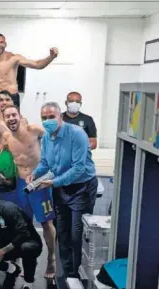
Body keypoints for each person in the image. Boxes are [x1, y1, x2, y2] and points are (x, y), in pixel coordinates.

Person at [28, 101, 97, 279]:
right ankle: (66, 273)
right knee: (63, 232)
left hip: (81, 188)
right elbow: (45, 163)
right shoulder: (46, 137)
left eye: (51, 117)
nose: (48, 121)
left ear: (60, 116)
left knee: (76, 233)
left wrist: (54, 182)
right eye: (44, 118)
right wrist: (34, 175)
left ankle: (77, 273)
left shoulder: (77, 134)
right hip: (60, 189)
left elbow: (78, 168)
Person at [0, 104, 57, 279]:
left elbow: (55, 140)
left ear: (20, 115)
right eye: (7, 116)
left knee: (46, 223)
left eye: (13, 115)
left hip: (39, 182)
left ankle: (51, 258)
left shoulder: (34, 130)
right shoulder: (7, 137)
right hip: (21, 185)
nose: (11, 119)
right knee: (24, 224)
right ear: (4, 120)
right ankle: (28, 259)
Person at [0, 33, 58, 113]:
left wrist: (51, 57)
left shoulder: (14, 58)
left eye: (1, 42)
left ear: (5, 44)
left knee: (12, 122)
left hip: (11, 96)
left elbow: (37, 65)